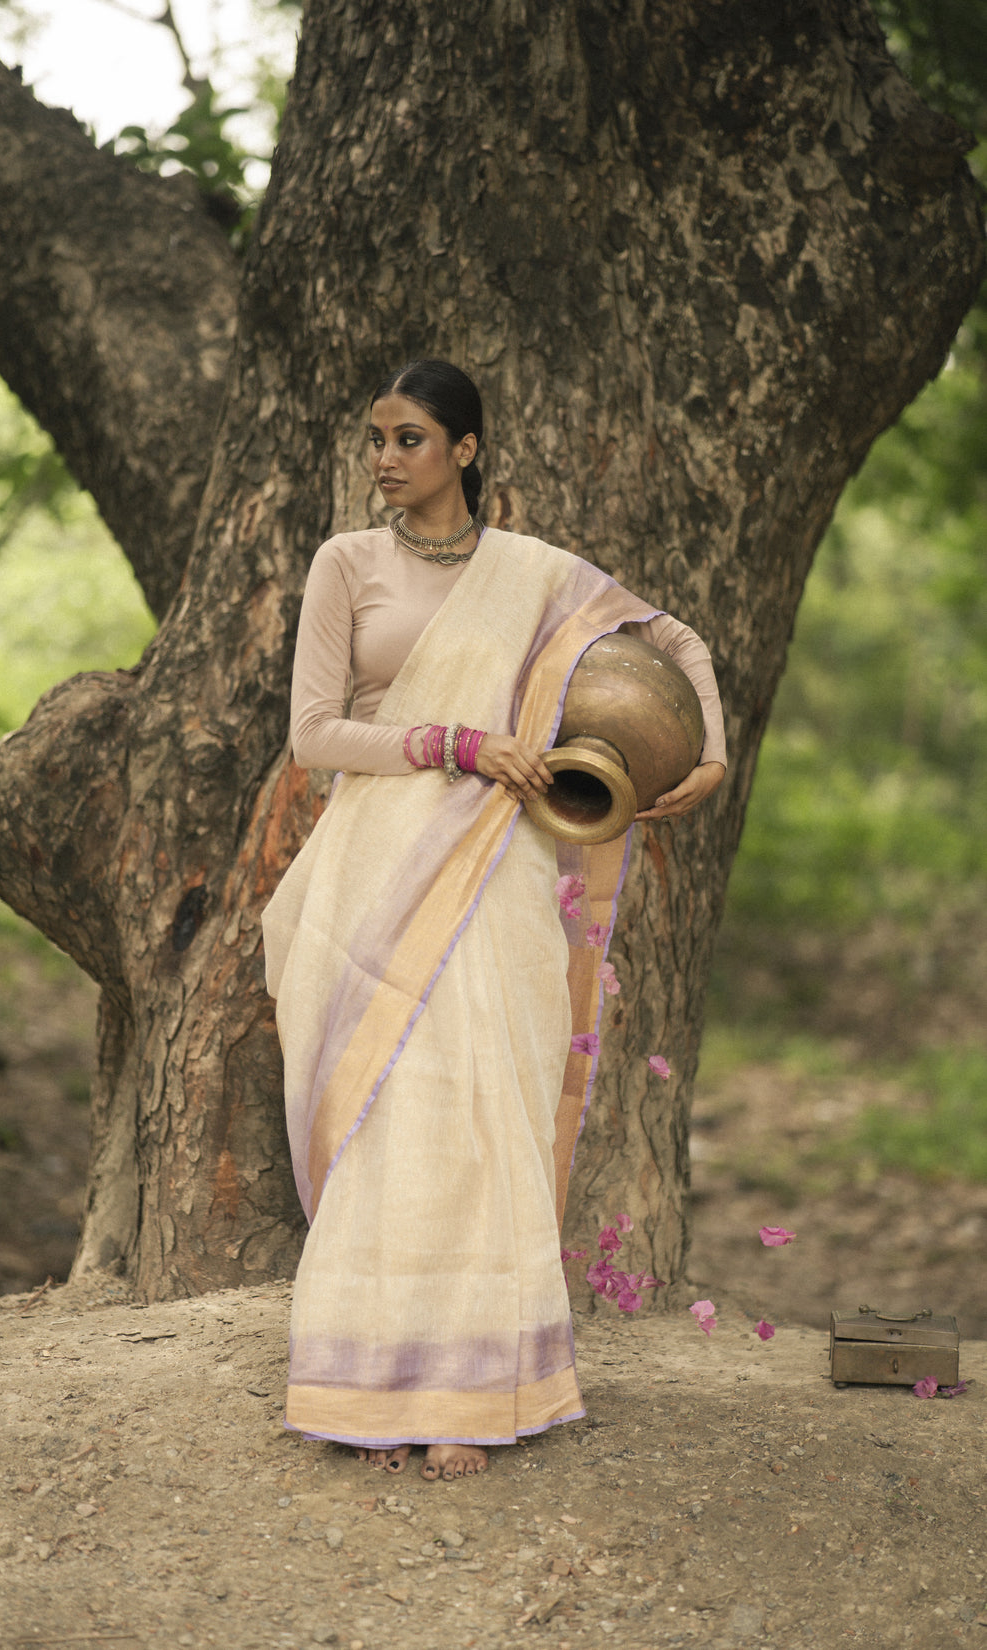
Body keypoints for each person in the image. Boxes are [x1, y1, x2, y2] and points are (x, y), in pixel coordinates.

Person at [260, 360, 726, 1482]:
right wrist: (452, 743)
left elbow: (681, 647)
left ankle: (471, 1391)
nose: (384, 459)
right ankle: (367, 1381)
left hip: (504, 866)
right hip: (374, 859)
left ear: (464, 451)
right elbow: (313, 734)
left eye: (408, 438)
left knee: (484, 1108)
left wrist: (705, 756)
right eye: (374, 438)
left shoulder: (535, 575)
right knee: (390, 1112)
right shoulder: (346, 566)